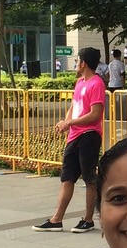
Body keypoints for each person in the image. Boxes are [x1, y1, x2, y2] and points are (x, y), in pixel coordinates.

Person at [32, 48, 105, 233]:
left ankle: (88, 220)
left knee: (89, 178)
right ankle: (57, 219)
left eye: (77, 61)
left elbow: (95, 115)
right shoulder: (80, 83)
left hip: (89, 135)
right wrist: (65, 123)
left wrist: (70, 122)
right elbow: (74, 106)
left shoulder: (97, 84)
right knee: (67, 178)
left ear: (84, 63)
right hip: (74, 135)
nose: (76, 64)